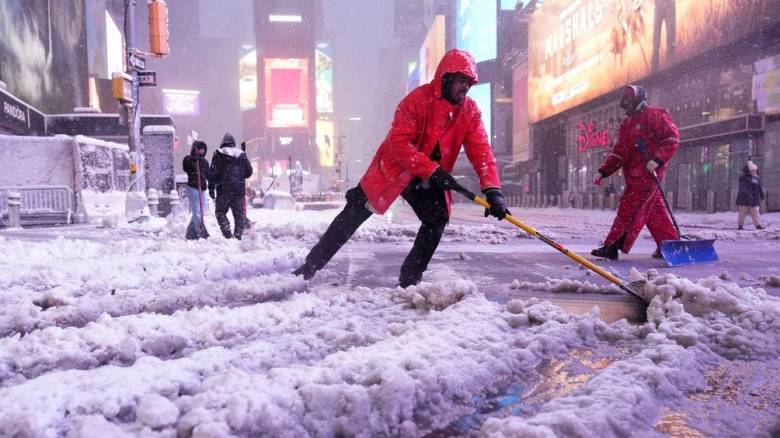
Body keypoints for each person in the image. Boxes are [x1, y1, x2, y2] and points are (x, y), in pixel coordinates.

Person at [293, 49, 509, 287]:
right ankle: (311, 265)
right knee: (353, 214)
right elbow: (399, 144)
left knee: (437, 220)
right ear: (446, 77)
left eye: (469, 83)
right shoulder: (416, 101)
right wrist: (432, 170)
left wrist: (493, 191)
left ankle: (409, 280)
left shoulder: (469, 112)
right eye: (461, 81)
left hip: (427, 179)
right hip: (393, 170)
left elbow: (482, 153)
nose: (465, 87)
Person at [591, 85, 680, 260]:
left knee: (630, 208)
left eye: (628, 100)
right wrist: (604, 171)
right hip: (633, 175)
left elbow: (672, 138)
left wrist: (657, 160)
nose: (625, 105)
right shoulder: (627, 124)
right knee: (654, 211)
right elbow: (620, 152)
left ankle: (612, 245)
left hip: (648, 173)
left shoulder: (656, 115)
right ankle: (670, 244)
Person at [208, 133, 253, 239]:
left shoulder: (218, 153)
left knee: (220, 212)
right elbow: (249, 172)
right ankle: (238, 236)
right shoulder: (241, 154)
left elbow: (213, 173)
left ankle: (227, 233)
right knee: (239, 215)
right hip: (239, 191)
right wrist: (240, 172)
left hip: (224, 190)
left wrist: (211, 188)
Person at [182, 140, 210, 240]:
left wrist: (212, 186)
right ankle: (202, 233)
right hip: (192, 188)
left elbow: (209, 175)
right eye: (200, 150)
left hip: (202, 189)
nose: (202, 152)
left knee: (200, 212)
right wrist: (194, 158)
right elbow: (185, 167)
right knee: (197, 211)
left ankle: (190, 233)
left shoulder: (205, 162)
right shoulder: (188, 159)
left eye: (203, 150)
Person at [736, 161, 765, 230]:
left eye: (755, 170)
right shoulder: (743, 178)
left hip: (754, 198)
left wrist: (761, 194)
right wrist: (748, 194)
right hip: (744, 198)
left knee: (755, 213)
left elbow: (759, 187)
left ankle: (758, 225)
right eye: (753, 170)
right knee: (742, 213)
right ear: (748, 171)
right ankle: (740, 225)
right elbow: (743, 188)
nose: (754, 171)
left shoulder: (757, 178)